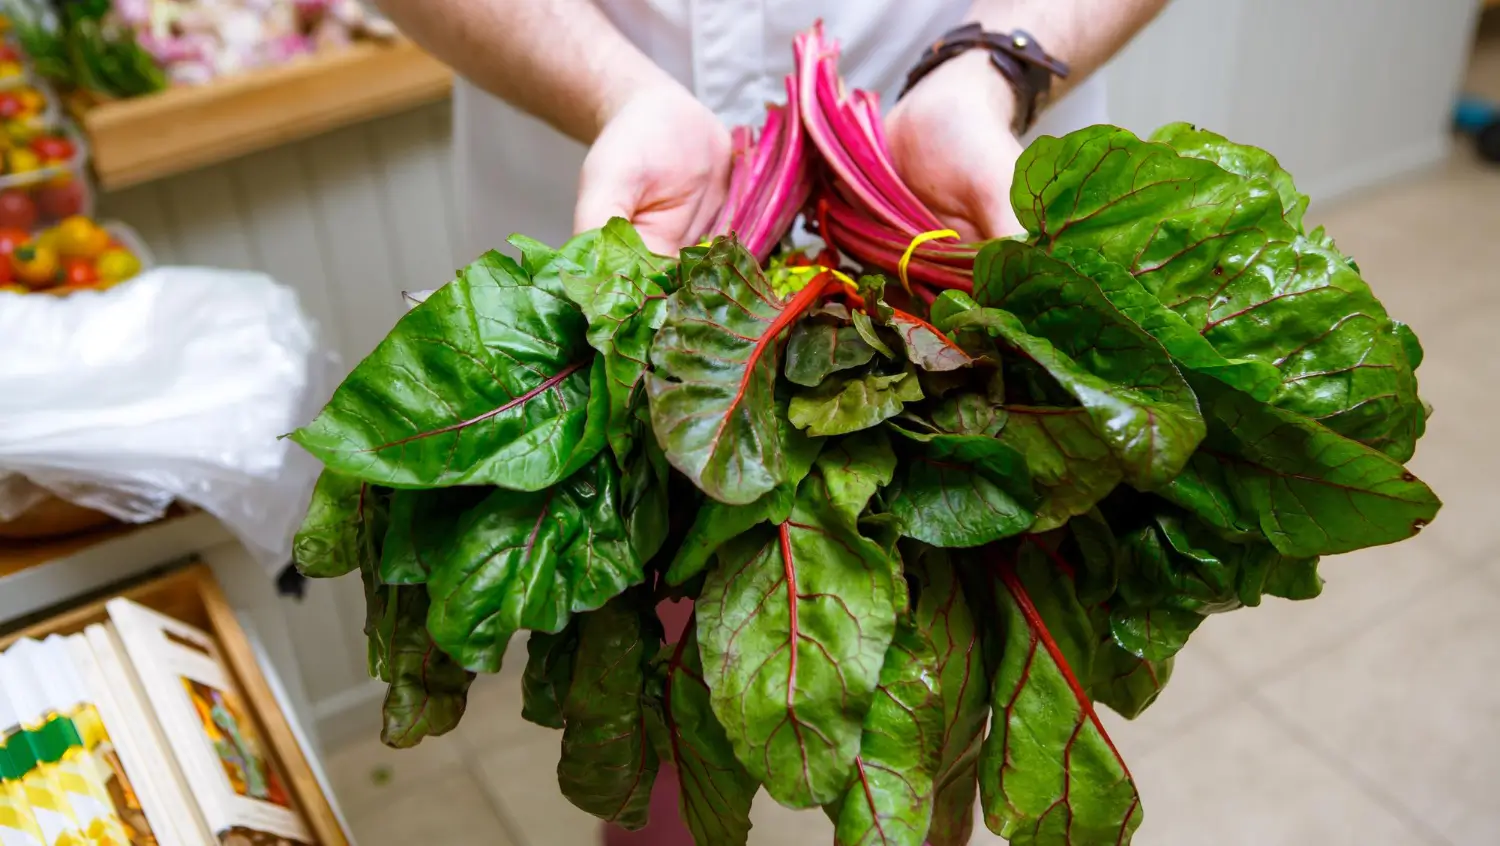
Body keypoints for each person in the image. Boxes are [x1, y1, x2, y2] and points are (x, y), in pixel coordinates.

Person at [370, 1, 1169, 843]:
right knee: (645, 672)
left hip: (955, 193)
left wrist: (995, 62)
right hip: (630, 190)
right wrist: (618, 95)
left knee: (947, 682)